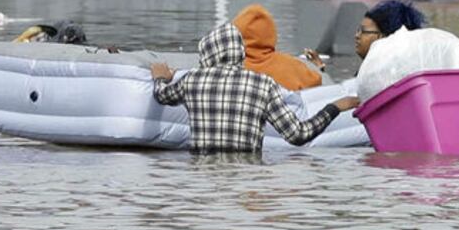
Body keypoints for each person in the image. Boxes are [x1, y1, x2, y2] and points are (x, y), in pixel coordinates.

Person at [150, 22, 359, 153]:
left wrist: (162, 78)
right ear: (240, 52)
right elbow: (298, 135)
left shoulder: (193, 80)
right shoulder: (263, 84)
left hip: (202, 180)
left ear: (207, 53)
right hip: (248, 184)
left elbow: (161, 96)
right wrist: (335, 107)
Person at [304, 0, 427, 67]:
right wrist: (320, 68)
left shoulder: (380, 77)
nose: (356, 36)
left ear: (384, 37)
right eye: (358, 30)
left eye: (363, 31)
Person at [232, 4, 322, 91]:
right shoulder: (292, 67)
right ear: (271, 32)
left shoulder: (226, 69)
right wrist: (318, 66)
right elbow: (317, 81)